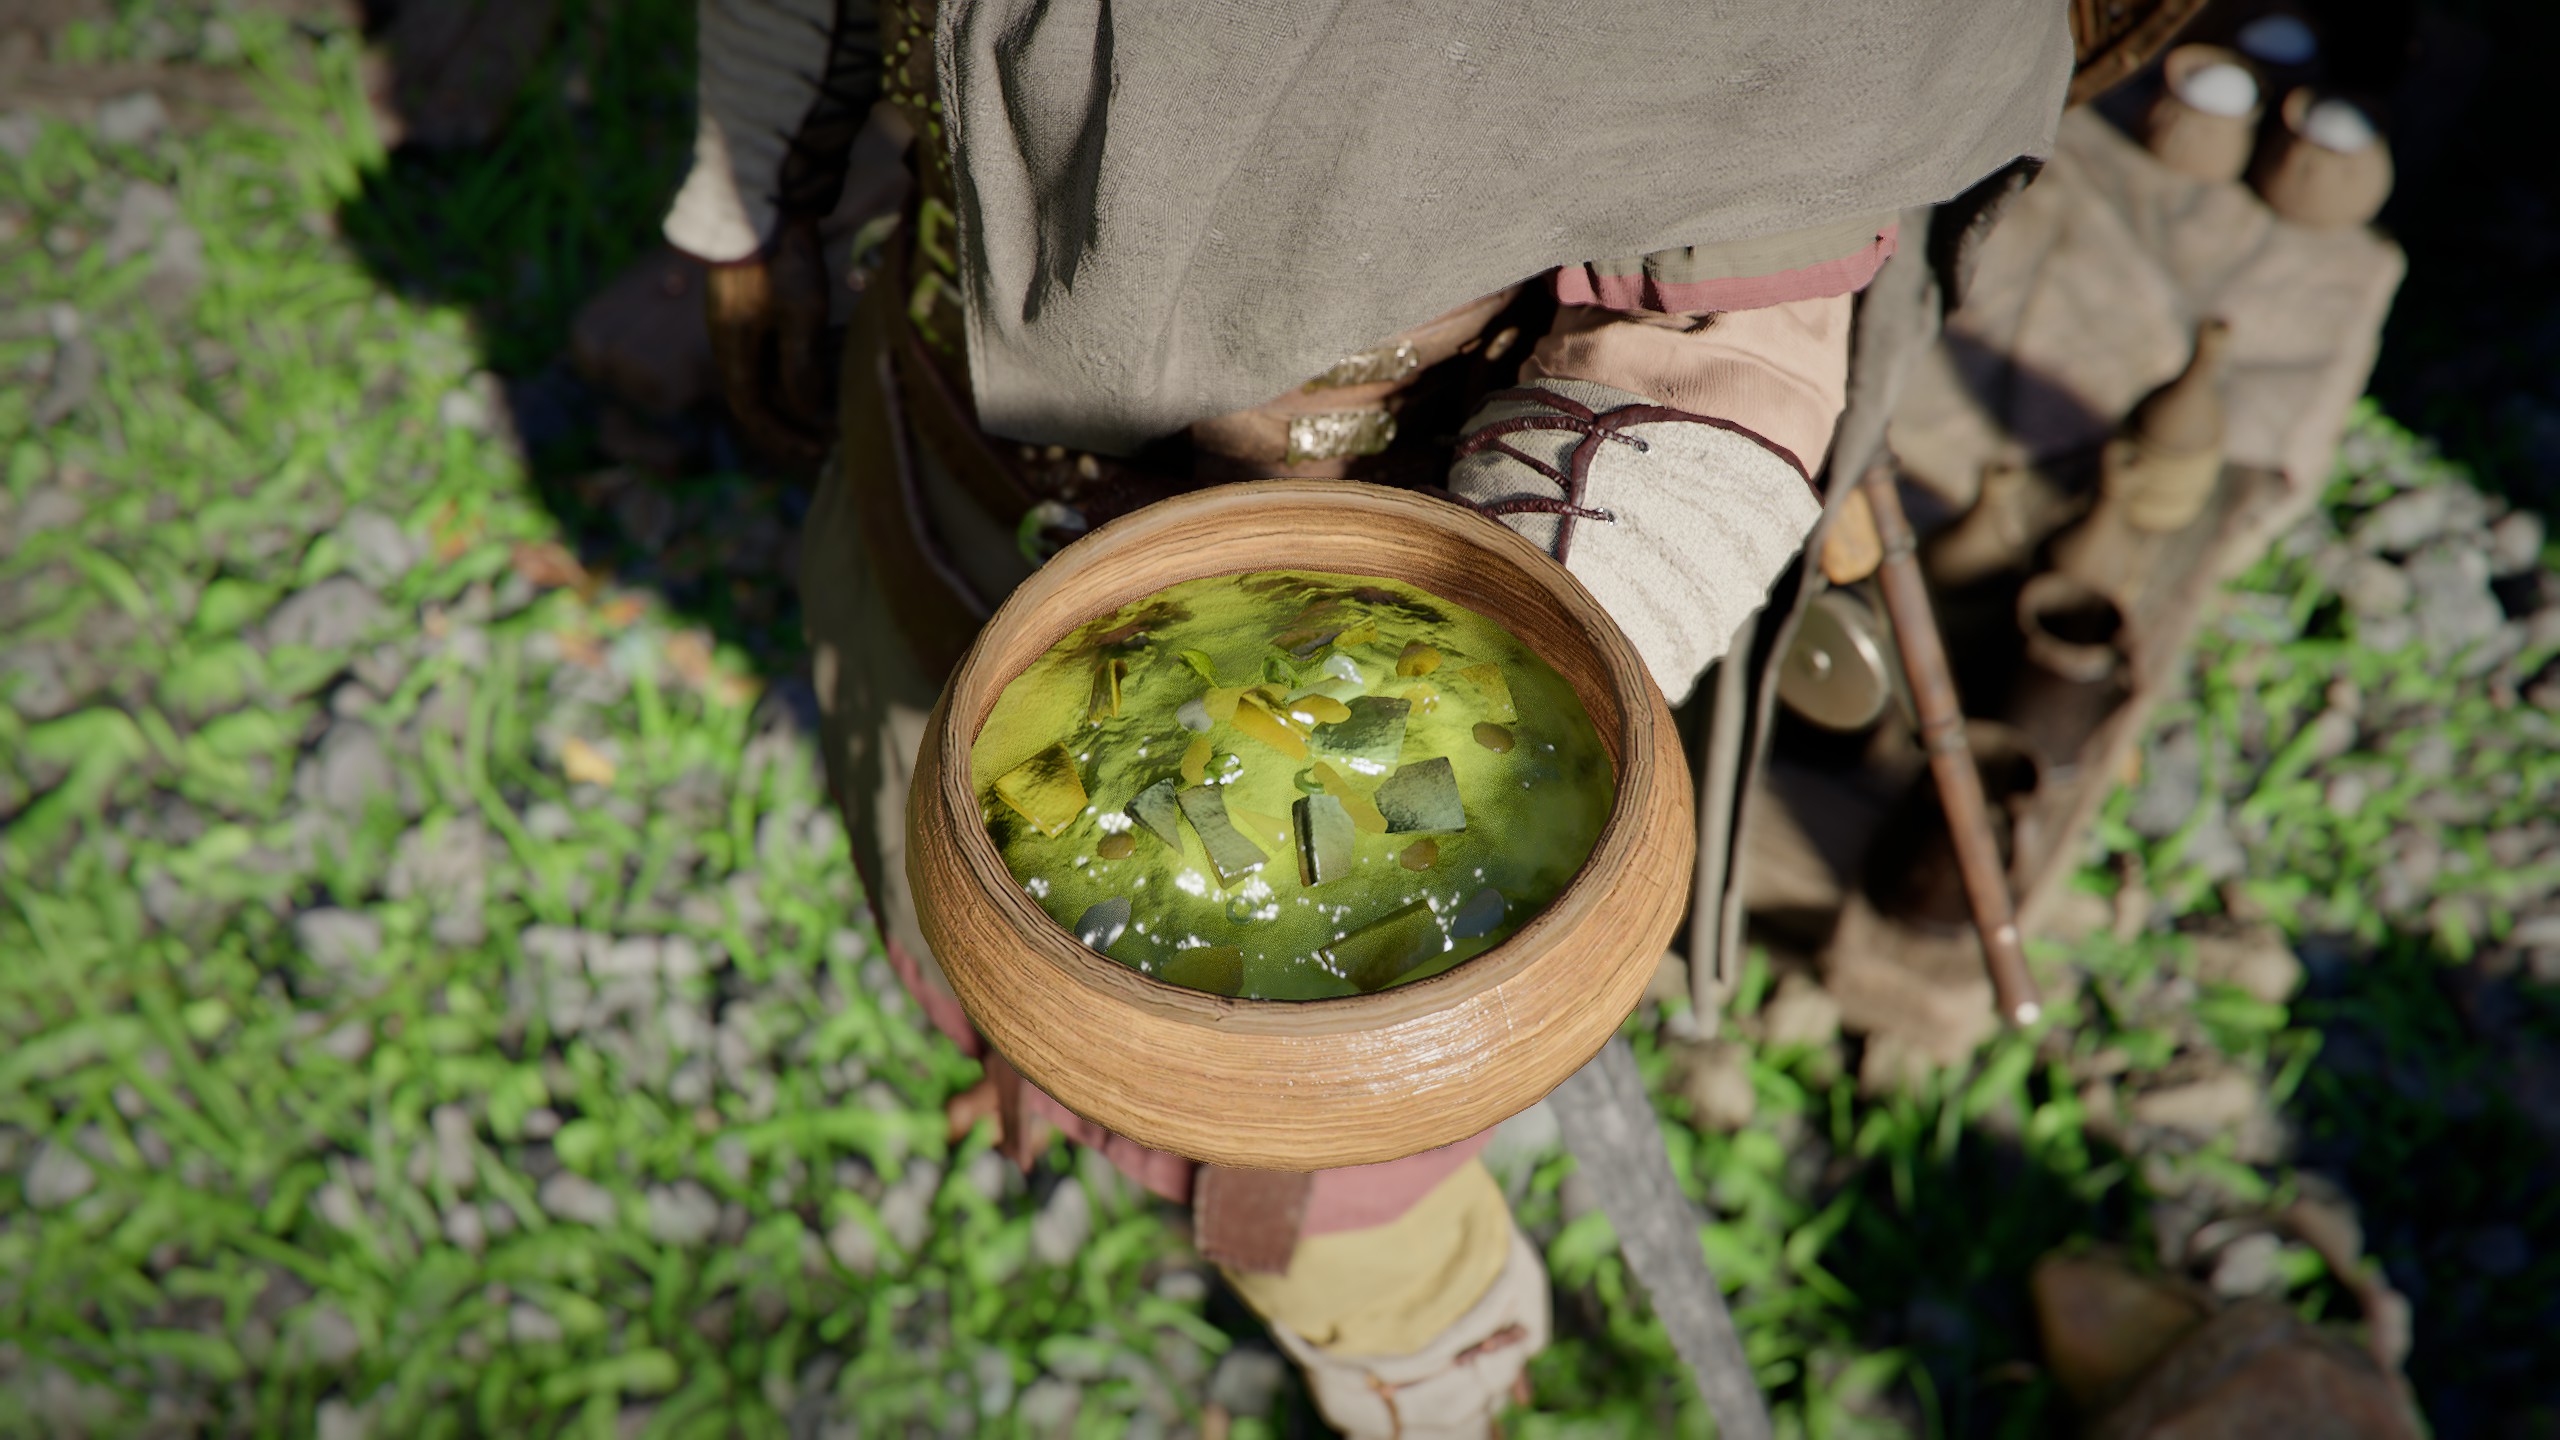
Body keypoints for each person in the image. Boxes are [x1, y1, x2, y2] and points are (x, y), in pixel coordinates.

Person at [663, 2, 2081, 1433]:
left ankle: (1423, 1360)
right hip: (948, 454)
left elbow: (1732, 300)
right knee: (975, 894)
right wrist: (754, 192)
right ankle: (1043, 1076)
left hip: (1403, 535)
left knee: (1336, 1181)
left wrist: (1461, 706)